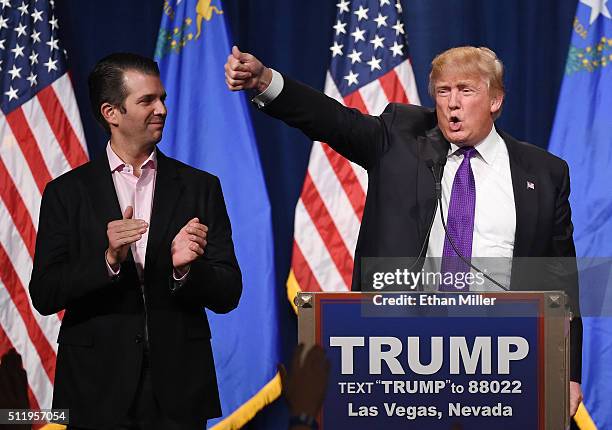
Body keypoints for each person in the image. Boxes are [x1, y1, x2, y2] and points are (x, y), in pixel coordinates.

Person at [225, 45, 583, 417]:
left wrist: (568, 373)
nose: (452, 104)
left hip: (504, 355)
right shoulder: (400, 137)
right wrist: (266, 81)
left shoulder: (543, 173)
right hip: (405, 355)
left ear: (495, 99)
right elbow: (332, 119)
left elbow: (561, 279)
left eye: (465, 90)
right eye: (443, 92)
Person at [29, 53, 242, 429]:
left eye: (162, 98)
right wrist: (108, 259)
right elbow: (45, 294)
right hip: (96, 388)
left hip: (179, 389)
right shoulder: (66, 193)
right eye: (147, 101)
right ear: (111, 112)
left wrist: (186, 271)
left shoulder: (200, 187)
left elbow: (229, 293)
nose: (161, 109)